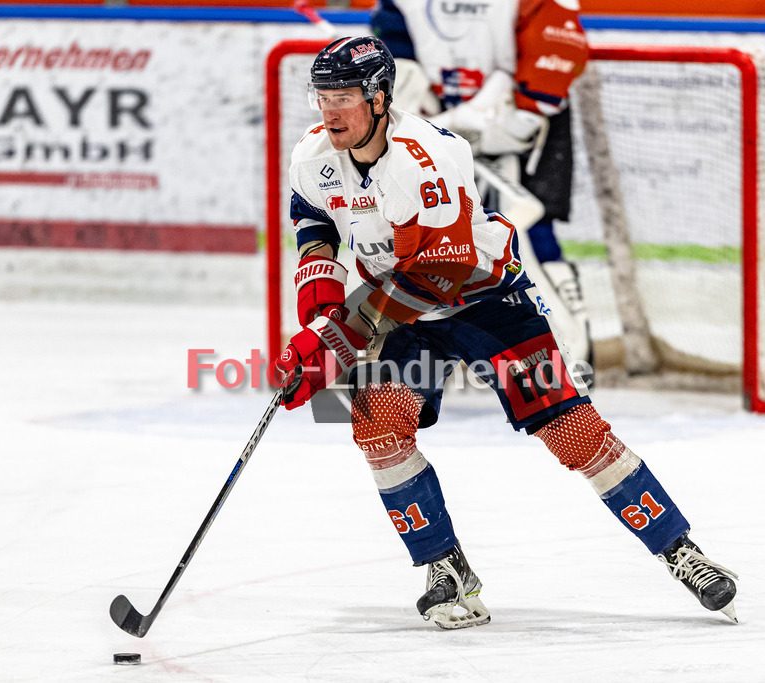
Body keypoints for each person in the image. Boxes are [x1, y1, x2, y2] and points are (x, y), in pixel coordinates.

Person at [274, 36, 738, 630]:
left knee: (571, 430)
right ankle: (446, 570)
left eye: (342, 97)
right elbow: (314, 227)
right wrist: (317, 323)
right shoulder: (313, 156)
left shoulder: (430, 156)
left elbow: (437, 275)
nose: (328, 112)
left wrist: (338, 338)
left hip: (482, 299)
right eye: (321, 97)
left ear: (380, 96)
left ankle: (683, 552)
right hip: (395, 307)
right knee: (376, 423)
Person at [371, 0, 594, 369]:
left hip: (528, 123)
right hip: (441, 122)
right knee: (433, 232)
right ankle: (437, 353)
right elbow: (397, 45)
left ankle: (571, 354)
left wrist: (523, 115)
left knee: (529, 231)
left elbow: (556, 40)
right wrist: (412, 104)